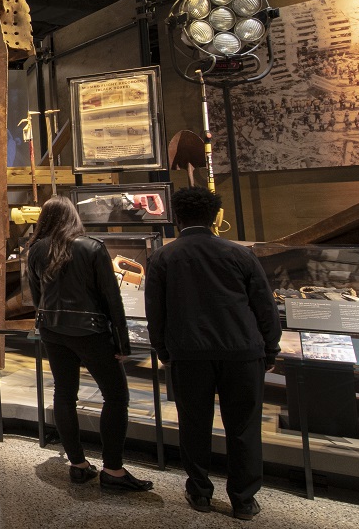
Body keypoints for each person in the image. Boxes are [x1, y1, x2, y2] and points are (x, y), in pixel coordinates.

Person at [145, 187, 281, 521]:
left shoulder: (163, 258)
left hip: (188, 354)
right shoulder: (240, 255)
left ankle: (200, 492)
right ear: (215, 217)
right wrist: (270, 347)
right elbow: (264, 307)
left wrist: (164, 350)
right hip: (242, 352)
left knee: (194, 424)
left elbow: (155, 313)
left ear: (177, 217)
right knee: (244, 428)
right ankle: (244, 500)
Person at [26, 196, 152, 491]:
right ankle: (113, 470)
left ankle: (78, 465)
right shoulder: (92, 247)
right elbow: (112, 298)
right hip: (91, 332)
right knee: (116, 396)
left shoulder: (36, 250)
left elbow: (37, 298)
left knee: (64, 394)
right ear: (73, 217)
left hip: (53, 330)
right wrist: (122, 342)